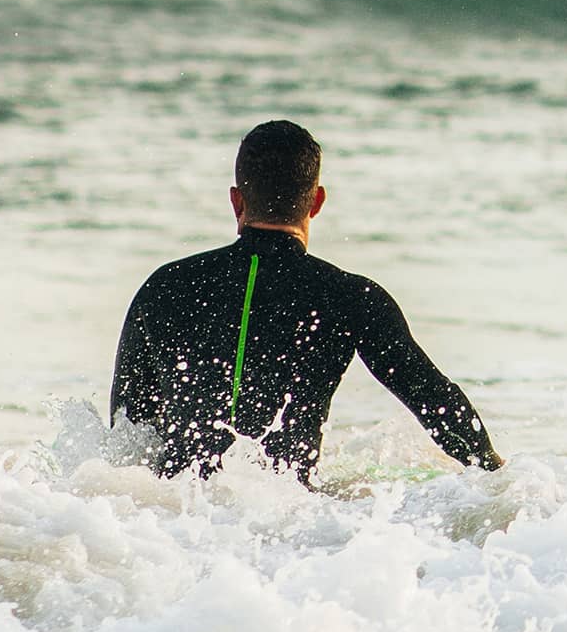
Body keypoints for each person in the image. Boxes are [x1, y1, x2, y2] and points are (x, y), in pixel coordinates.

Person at [111, 120, 502, 481]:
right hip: (289, 519)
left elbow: (124, 430)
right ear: (316, 201)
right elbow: (437, 403)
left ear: (236, 201)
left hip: (172, 522)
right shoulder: (350, 297)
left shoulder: (166, 286)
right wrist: (500, 478)